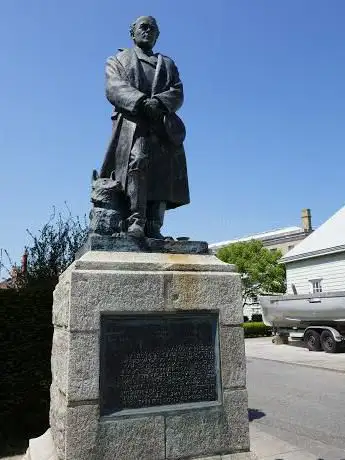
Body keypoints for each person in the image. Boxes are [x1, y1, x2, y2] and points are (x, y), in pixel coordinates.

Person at [100, 16, 190, 239]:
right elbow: (114, 87)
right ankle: (135, 220)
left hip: (162, 125)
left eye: (153, 29)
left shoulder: (167, 63)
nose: (148, 31)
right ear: (133, 33)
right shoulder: (118, 60)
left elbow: (177, 91)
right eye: (144, 27)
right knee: (137, 162)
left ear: (158, 36)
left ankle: (155, 226)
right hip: (134, 123)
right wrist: (141, 101)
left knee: (163, 171)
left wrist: (159, 103)